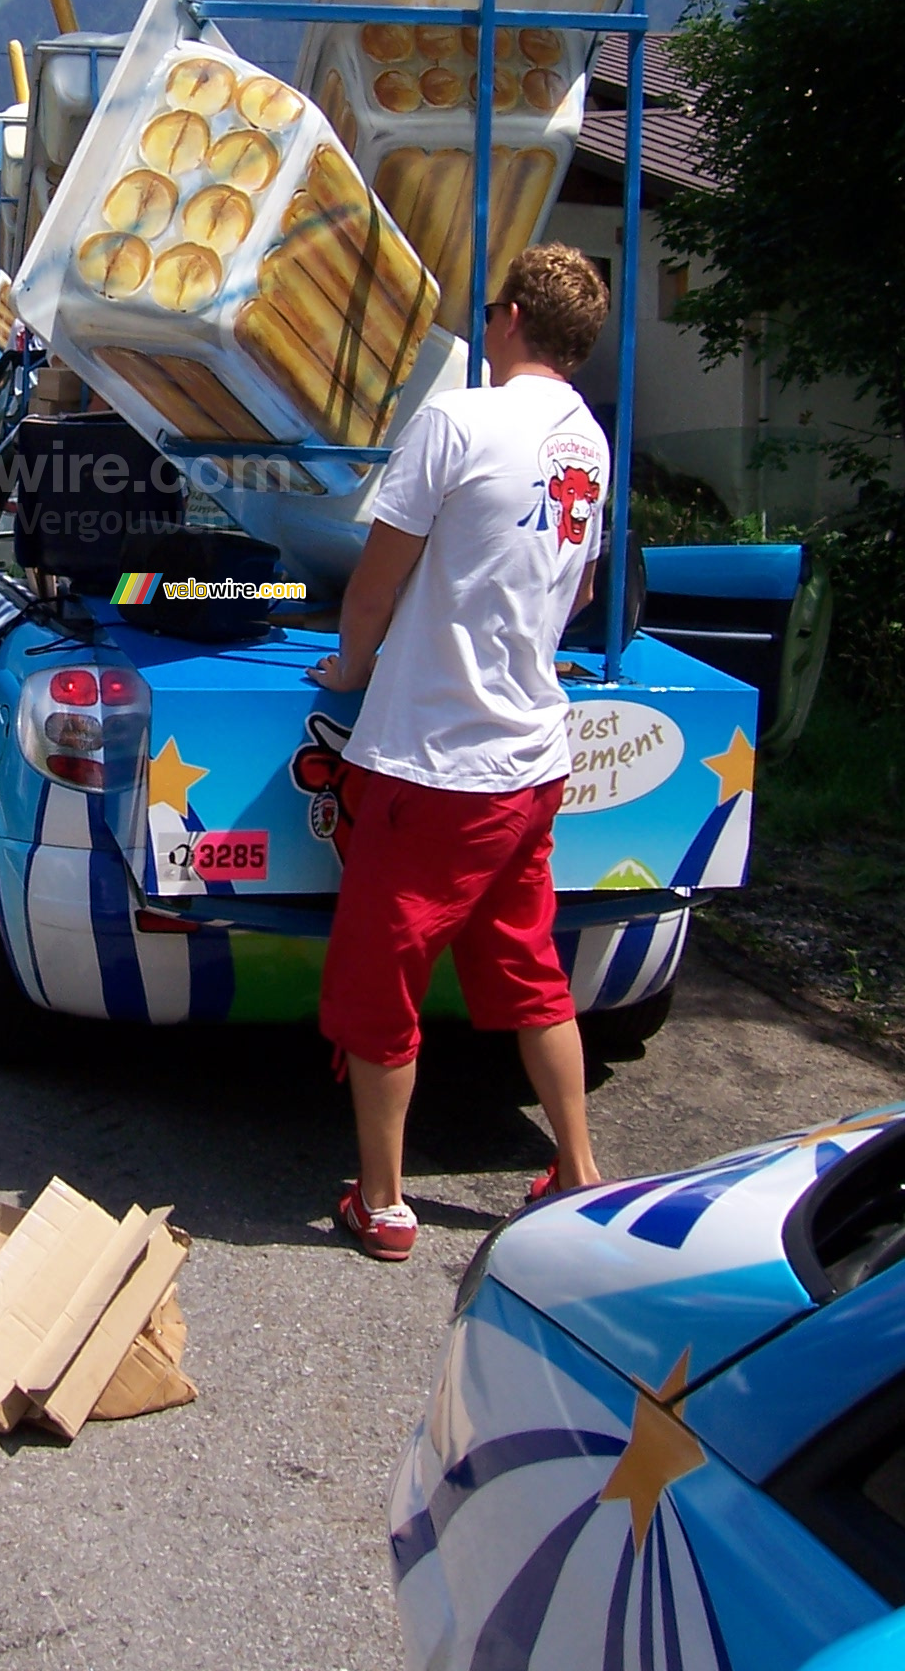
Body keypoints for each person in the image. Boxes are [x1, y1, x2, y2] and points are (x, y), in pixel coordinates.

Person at [308, 244, 612, 1262]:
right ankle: (574, 1169)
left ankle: (385, 1203)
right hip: (532, 758)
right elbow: (574, 592)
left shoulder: (460, 419)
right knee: (527, 969)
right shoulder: (588, 444)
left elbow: (373, 587)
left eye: (492, 308)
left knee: (379, 985)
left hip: (434, 763)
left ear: (515, 315)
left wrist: (349, 668)